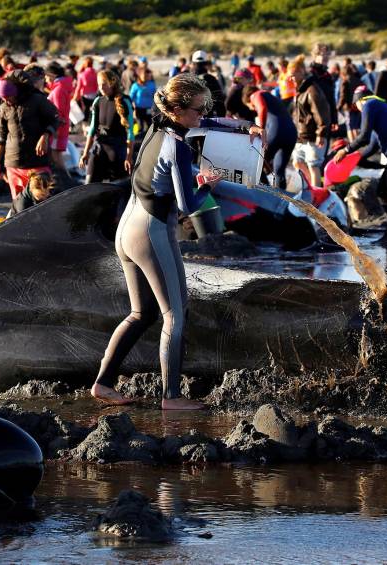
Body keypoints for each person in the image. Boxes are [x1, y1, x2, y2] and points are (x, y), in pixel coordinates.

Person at [90, 72, 259, 409]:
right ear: (180, 109)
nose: (202, 115)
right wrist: (209, 183)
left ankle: (103, 384)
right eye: (197, 110)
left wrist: (243, 127)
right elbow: (188, 206)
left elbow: (208, 122)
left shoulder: (158, 125)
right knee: (175, 313)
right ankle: (172, 397)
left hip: (127, 230)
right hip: (152, 233)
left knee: (141, 313)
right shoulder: (179, 147)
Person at [334, 87, 387, 233]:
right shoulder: (378, 106)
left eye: (356, 106)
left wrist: (345, 150)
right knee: (382, 191)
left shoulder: (369, 105)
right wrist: (353, 159)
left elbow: (364, 137)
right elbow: (371, 147)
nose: (357, 109)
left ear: (359, 101)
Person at [0, 70, 61, 201]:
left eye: (8, 98)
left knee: (42, 202)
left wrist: (45, 135)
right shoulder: (2, 108)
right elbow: (1, 137)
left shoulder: (37, 100)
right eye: (3, 99)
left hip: (37, 162)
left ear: (16, 92)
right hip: (13, 163)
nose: (6, 101)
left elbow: (55, 118)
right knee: (19, 207)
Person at [79, 70, 134, 183]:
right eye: (99, 84)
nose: (101, 87)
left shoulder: (125, 101)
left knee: (118, 190)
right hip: (99, 148)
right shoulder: (97, 101)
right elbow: (93, 130)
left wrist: (129, 156)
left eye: (104, 84)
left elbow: (130, 132)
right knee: (88, 185)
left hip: (118, 150)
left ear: (112, 83)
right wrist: (85, 153)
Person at [288, 55, 331, 187]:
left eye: (293, 75)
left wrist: (321, 134)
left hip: (313, 135)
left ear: (301, 72)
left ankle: (316, 194)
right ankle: (312, 188)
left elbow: (321, 113)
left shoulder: (311, 89)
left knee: (313, 165)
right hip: (301, 135)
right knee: (297, 162)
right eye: (290, 76)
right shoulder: (300, 90)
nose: (291, 79)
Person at [242, 85, 297, 189]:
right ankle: (282, 199)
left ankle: (267, 194)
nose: (253, 109)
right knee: (279, 171)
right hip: (291, 133)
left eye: (251, 107)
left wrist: (260, 129)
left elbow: (262, 108)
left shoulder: (256, 95)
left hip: (277, 132)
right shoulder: (270, 96)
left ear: (248, 99)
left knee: (255, 163)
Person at [45, 62, 73, 180]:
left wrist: (54, 129)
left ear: (51, 75)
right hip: (61, 127)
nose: (46, 80)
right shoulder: (61, 87)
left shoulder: (58, 90)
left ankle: (68, 181)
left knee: (57, 157)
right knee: (56, 157)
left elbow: (58, 112)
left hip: (58, 129)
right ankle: (66, 180)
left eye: (46, 77)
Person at [191, 51, 225, 117]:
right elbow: (220, 100)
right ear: (206, 63)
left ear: (193, 63)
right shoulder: (211, 79)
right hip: (208, 117)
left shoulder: (187, 79)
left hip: (191, 119)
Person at [338, 63, 362, 140]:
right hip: (357, 106)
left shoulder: (344, 82)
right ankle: (358, 143)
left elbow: (343, 96)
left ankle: (352, 144)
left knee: (349, 127)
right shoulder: (358, 80)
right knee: (355, 126)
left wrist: (338, 107)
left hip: (348, 107)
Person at [129, 66, 157, 134]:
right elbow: (130, 98)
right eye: (144, 76)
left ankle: (148, 142)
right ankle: (138, 142)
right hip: (138, 109)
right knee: (140, 127)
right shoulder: (135, 85)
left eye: (147, 76)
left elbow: (155, 96)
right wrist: (132, 109)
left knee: (150, 126)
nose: (146, 77)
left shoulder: (151, 84)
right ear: (140, 76)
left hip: (148, 109)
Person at [74, 57, 99, 124]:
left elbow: (79, 87)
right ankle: (93, 124)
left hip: (85, 96)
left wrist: (75, 97)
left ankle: (85, 126)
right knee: (94, 111)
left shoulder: (82, 74)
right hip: (94, 95)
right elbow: (97, 85)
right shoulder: (96, 73)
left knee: (85, 111)